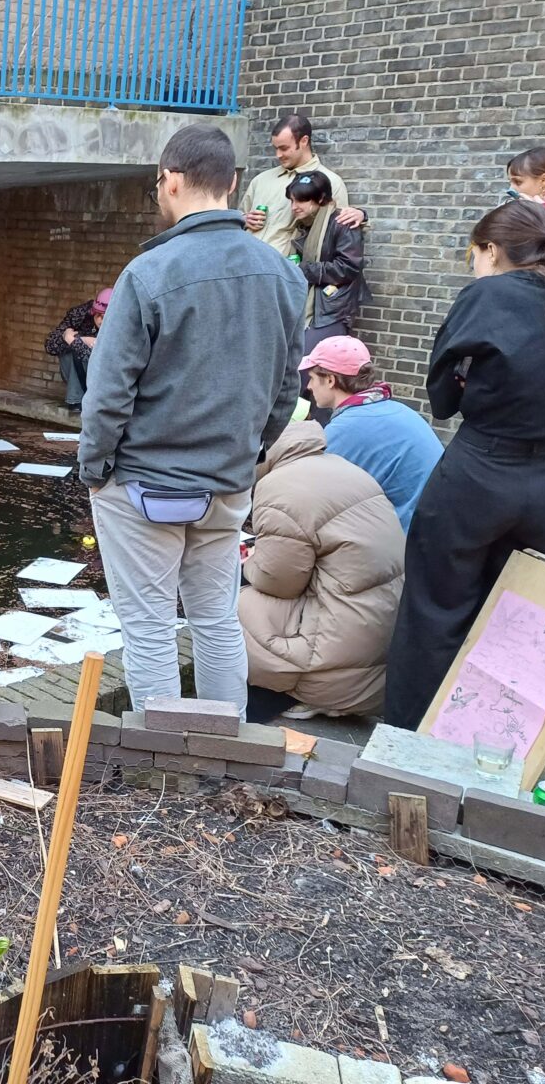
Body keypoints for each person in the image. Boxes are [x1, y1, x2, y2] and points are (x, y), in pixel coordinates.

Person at [79, 125, 306, 715]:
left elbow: (107, 393)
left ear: (172, 181)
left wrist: (95, 469)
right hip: (227, 482)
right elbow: (287, 388)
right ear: (232, 183)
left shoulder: (147, 274)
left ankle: (164, 766)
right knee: (216, 620)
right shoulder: (282, 273)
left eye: (158, 183)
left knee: (151, 629)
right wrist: (251, 454)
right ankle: (226, 751)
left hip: (143, 485)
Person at [383, 200, 545, 728]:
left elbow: (442, 383)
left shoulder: (489, 294)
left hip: (481, 468)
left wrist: (464, 387)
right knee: (516, 622)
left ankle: (411, 742)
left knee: (435, 611)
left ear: (492, 249)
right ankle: (490, 742)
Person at [239, 421, 404, 720]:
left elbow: (279, 581)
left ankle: (304, 693)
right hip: (376, 642)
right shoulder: (342, 467)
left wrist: (248, 563)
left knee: (227, 601)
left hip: (331, 653)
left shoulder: (279, 488)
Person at [301, 335, 443, 530]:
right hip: (431, 527)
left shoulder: (348, 426)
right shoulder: (390, 408)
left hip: (404, 540)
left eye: (312, 378)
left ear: (330, 380)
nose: (308, 386)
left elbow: (313, 495)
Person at [287, 170, 368, 424]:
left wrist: (304, 271)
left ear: (320, 199)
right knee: (303, 376)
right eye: (291, 200)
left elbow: (349, 267)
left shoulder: (341, 222)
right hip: (311, 312)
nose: (294, 207)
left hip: (330, 313)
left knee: (316, 376)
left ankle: (321, 434)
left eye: (301, 200)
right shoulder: (304, 228)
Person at [240, 114, 365, 257]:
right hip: (246, 263)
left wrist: (361, 215)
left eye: (284, 148)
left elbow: (340, 232)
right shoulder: (261, 180)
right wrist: (244, 218)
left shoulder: (330, 182)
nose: (278, 155)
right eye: (276, 148)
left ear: (304, 141)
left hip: (286, 270)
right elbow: (237, 220)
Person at [44, 287, 112, 409]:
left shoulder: (120, 325)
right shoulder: (79, 314)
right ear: (93, 312)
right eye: (100, 316)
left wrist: (73, 339)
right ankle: (76, 400)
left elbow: (101, 357)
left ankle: (91, 401)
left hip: (103, 379)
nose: (102, 321)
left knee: (90, 351)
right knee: (69, 351)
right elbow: (50, 345)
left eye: (107, 317)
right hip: (78, 372)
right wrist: (83, 340)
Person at [507, 147, 545, 211]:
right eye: (510, 182)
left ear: (543, 180)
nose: (510, 189)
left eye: (518, 182)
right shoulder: (510, 209)